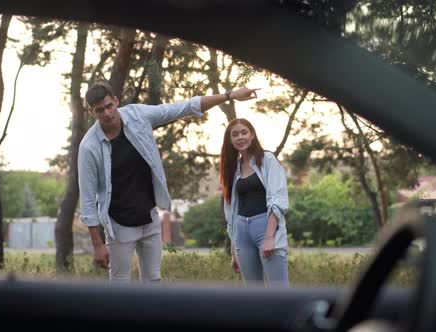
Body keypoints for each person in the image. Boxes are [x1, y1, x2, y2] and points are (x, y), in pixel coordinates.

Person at [78, 81, 259, 283]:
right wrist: (97, 245)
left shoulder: (138, 115)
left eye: (109, 106)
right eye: (100, 110)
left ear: (116, 101)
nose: (107, 114)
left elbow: (183, 107)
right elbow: (87, 200)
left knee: (153, 281)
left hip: (149, 216)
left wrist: (230, 95)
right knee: (120, 285)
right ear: (92, 112)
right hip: (119, 224)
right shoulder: (89, 147)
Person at [220, 118, 290, 287]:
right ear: (230, 140)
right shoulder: (233, 168)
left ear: (252, 135)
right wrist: (233, 250)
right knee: (253, 294)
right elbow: (231, 210)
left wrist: (269, 237)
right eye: (235, 134)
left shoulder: (267, 159)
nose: (240, 137)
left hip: (265, 228)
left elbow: (277, 198)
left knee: (279, 291)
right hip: (242, 233)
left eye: (244, 132)